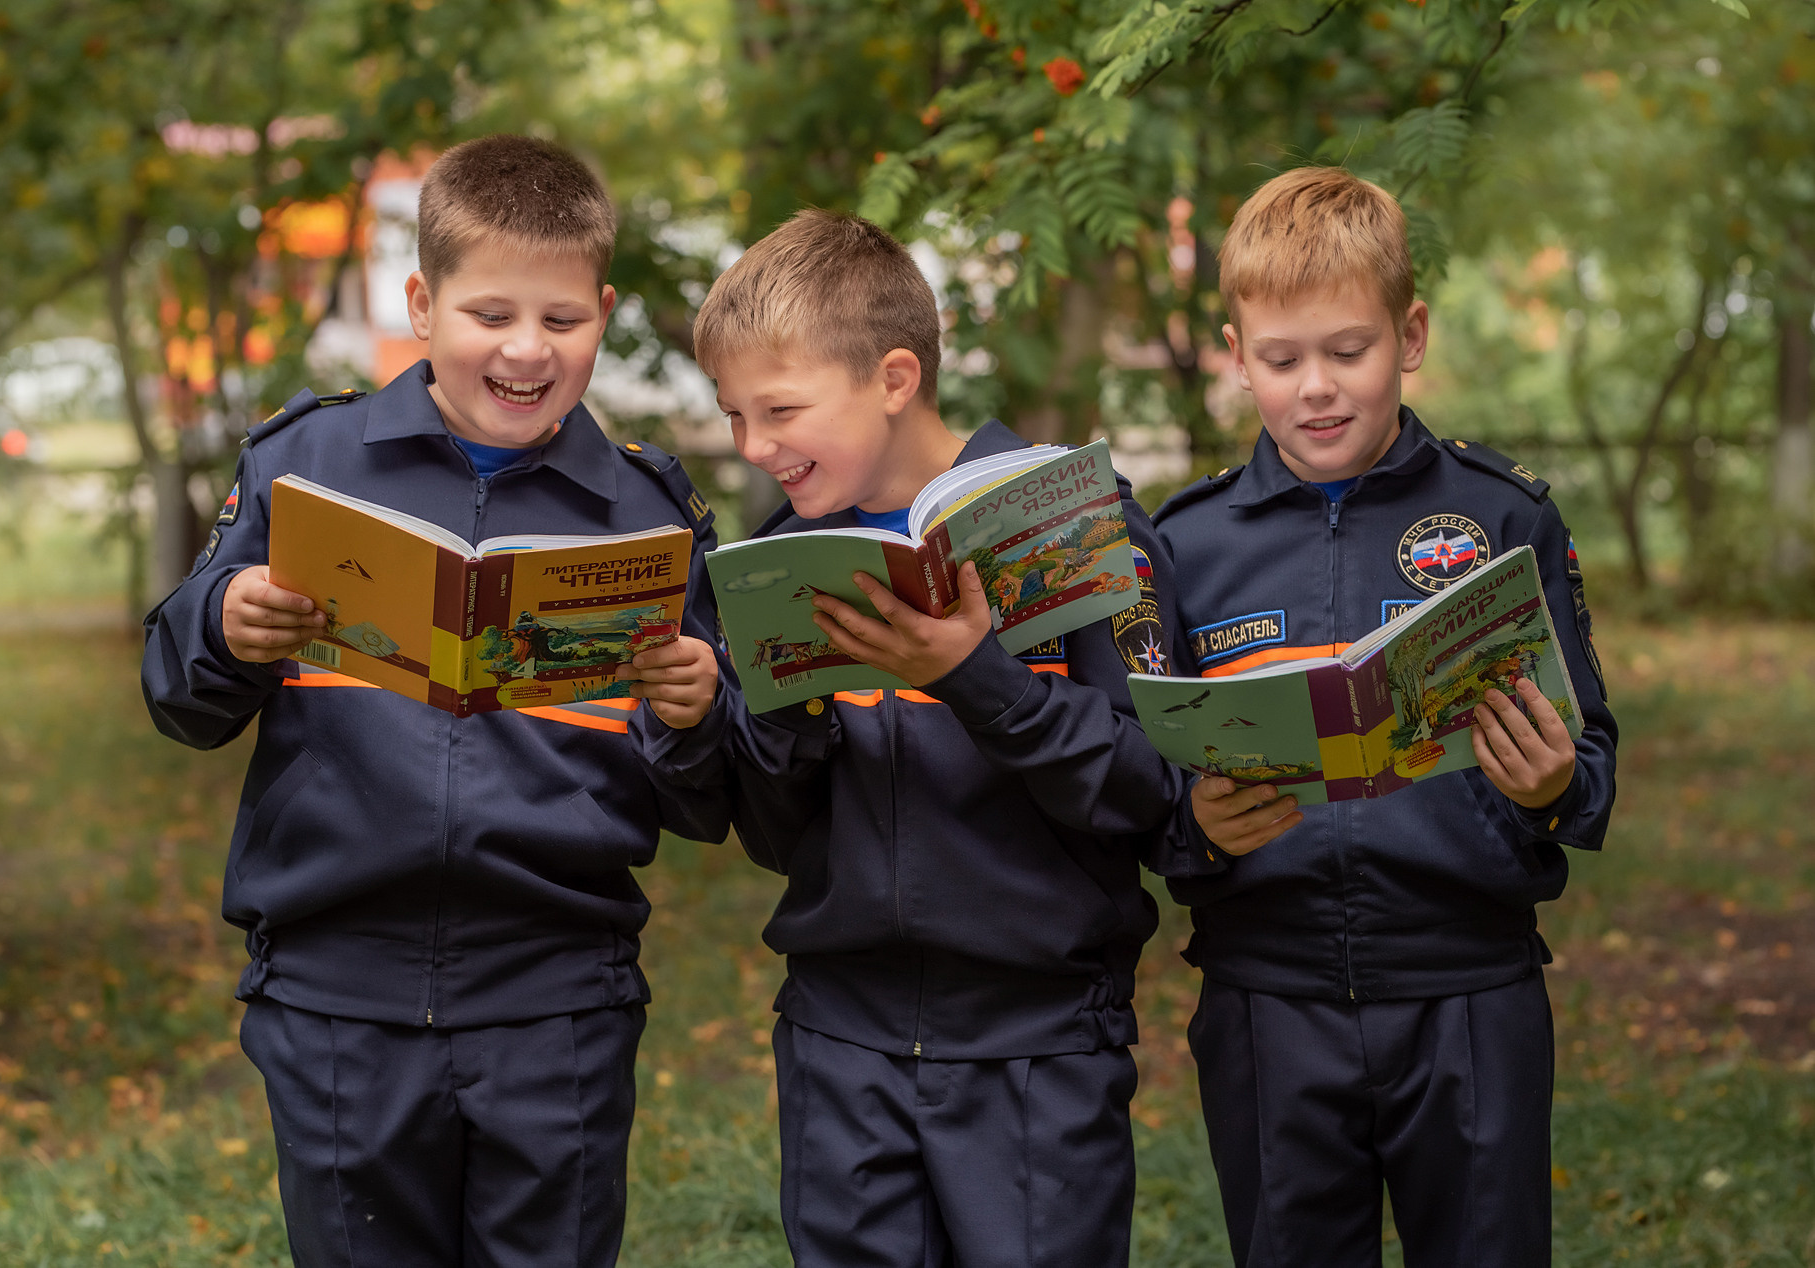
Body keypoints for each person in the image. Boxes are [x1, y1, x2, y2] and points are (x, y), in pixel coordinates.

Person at [141, 134, 724, 1268]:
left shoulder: (648, 514)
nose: (525, 348)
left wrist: (696, 712)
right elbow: (180, 701)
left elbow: (710, 799)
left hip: (558, 999)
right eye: (489, 313)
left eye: (562, 321)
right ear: (421, 301)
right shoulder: (304, 465)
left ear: (603, 311)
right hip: (335, 996)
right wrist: (223, 624)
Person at [647, 209, 1187, 1268]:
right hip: (840, 1045)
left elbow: (1155, 792)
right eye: (734, 415)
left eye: (781, 409)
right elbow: (771, 831)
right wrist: (748, 714)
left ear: (895, 376)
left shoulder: (1078, 528)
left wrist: (973, 677)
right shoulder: (776, 561)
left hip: (1038, 1049)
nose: (754, 447)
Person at [1149, 166, 1618, 1268]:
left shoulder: (1500, 513)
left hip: (1469, 988)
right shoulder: (1186, 541)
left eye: (1346, 350)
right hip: (1267, 995)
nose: (1316, 386)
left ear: (1409, 334)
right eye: (1280, 358)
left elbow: (1588, 757)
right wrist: (1196, 823)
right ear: (1235, 354)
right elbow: (1149, 781)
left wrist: (1550, 784)